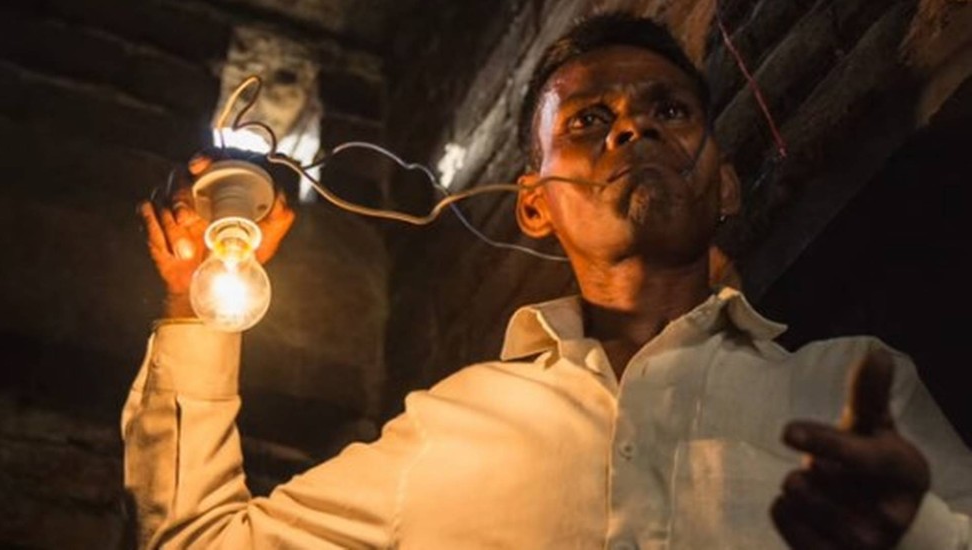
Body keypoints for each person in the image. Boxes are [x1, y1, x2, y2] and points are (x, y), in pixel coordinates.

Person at [125, 12, 972, 549]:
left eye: (669, 110)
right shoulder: (450, 429)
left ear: (723, 184)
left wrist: (920, 534)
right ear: (534, 205)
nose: (632, 128)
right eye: (590, 119)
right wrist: (193, 308)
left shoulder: (849, 387)